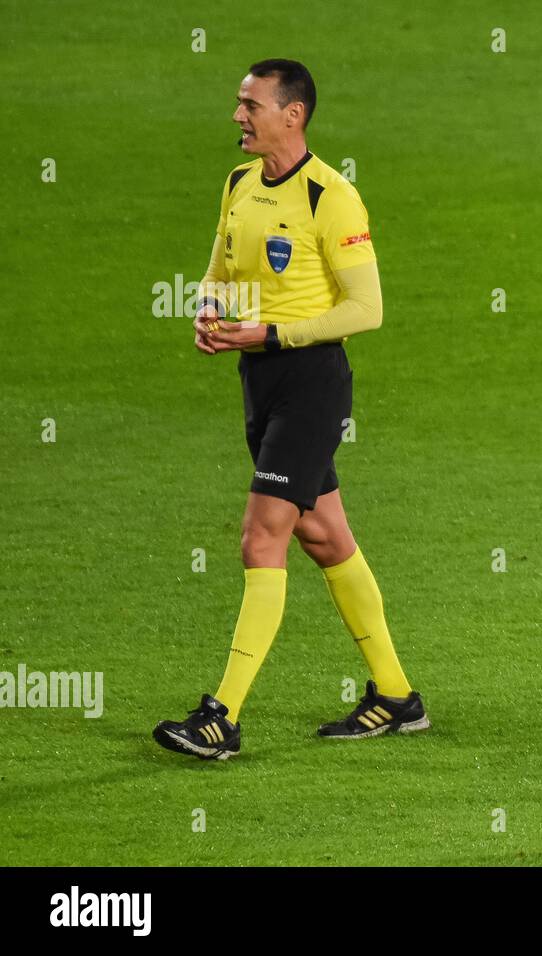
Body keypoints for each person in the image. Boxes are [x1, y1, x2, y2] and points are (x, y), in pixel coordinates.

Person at [153, 59, 425, 760]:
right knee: (325, 536)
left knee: (261, 536)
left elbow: (367, 309)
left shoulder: (330, 197)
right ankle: (396, 696)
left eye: (250, 106)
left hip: (310, 383)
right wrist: (211, 313)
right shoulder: (240, 184)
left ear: (291, 114)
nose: (238, 117)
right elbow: (220, 272)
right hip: (259, 383)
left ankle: (222, 717)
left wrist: (270, 333)